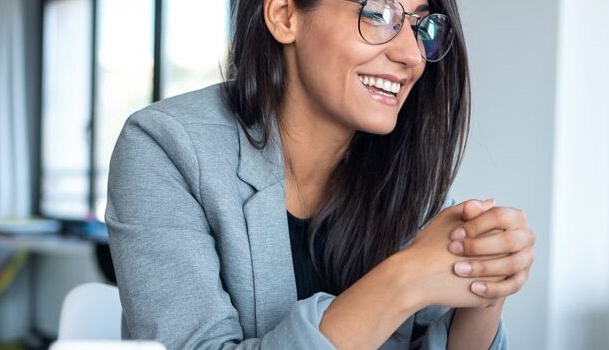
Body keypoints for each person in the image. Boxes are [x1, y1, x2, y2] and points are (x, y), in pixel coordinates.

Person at [104, 0, 536, 348]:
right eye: (377, 14)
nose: (411, 55)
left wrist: (483, 284)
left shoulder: (402, 168)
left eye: (422, 26)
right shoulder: (165, 145)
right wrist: (404, 279)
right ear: (284, 14)